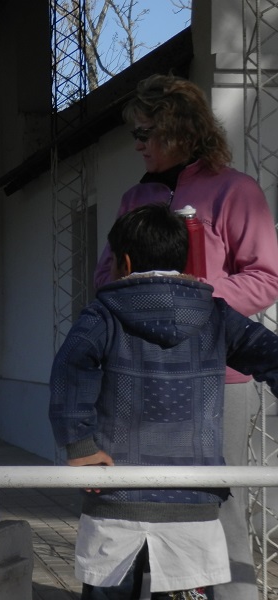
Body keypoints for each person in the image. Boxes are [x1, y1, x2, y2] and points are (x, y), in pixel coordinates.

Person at [93, 74, 278, 600]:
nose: (137, 144)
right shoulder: (134, 197)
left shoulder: (236, 190)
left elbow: (265, 277)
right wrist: (148, 300)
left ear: (180, 130)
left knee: (220, 501)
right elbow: (106, 276)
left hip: (218, 375)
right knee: (145, 502)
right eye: (135, 133)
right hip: (140, 373)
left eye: (145, 132)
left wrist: (190, 302)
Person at [53, 203, 278, 599]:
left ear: (124, 262)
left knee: (110, 591)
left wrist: (80, 446)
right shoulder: (215, 315)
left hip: (116, 494)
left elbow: (71, 371)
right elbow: (269, 354)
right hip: (193, 495)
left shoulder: (103, 315)